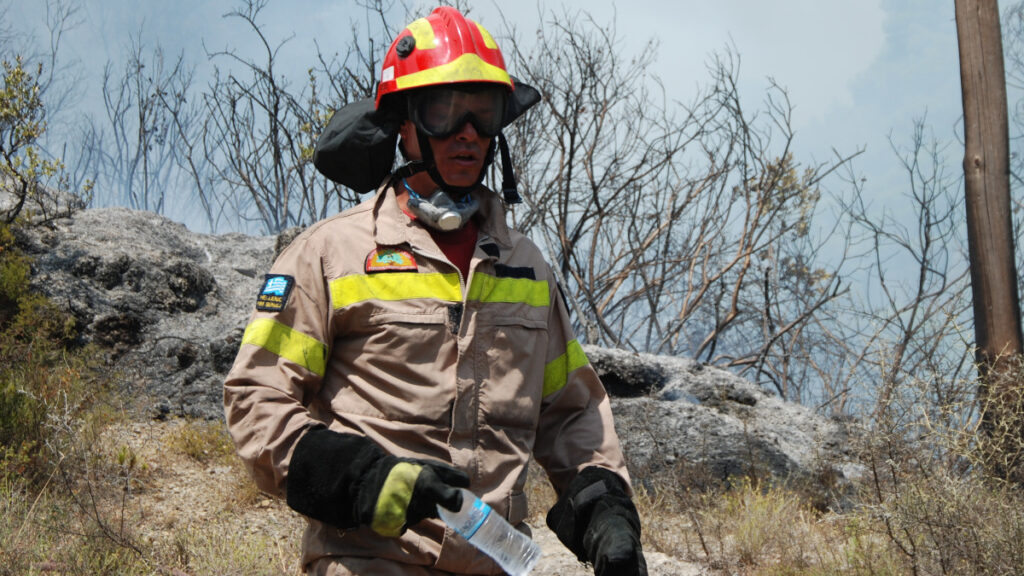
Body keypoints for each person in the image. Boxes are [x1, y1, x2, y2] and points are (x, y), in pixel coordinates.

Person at [223, 6, 647, 576]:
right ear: (404, 123)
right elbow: (257, 399)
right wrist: (364, 478)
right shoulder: (331, 254)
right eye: (445, 110)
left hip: (495, 563)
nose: (467, 132)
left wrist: (605, 513)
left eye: (484, 112)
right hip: (368, 557)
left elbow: (573, 415)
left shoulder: (526, 268)